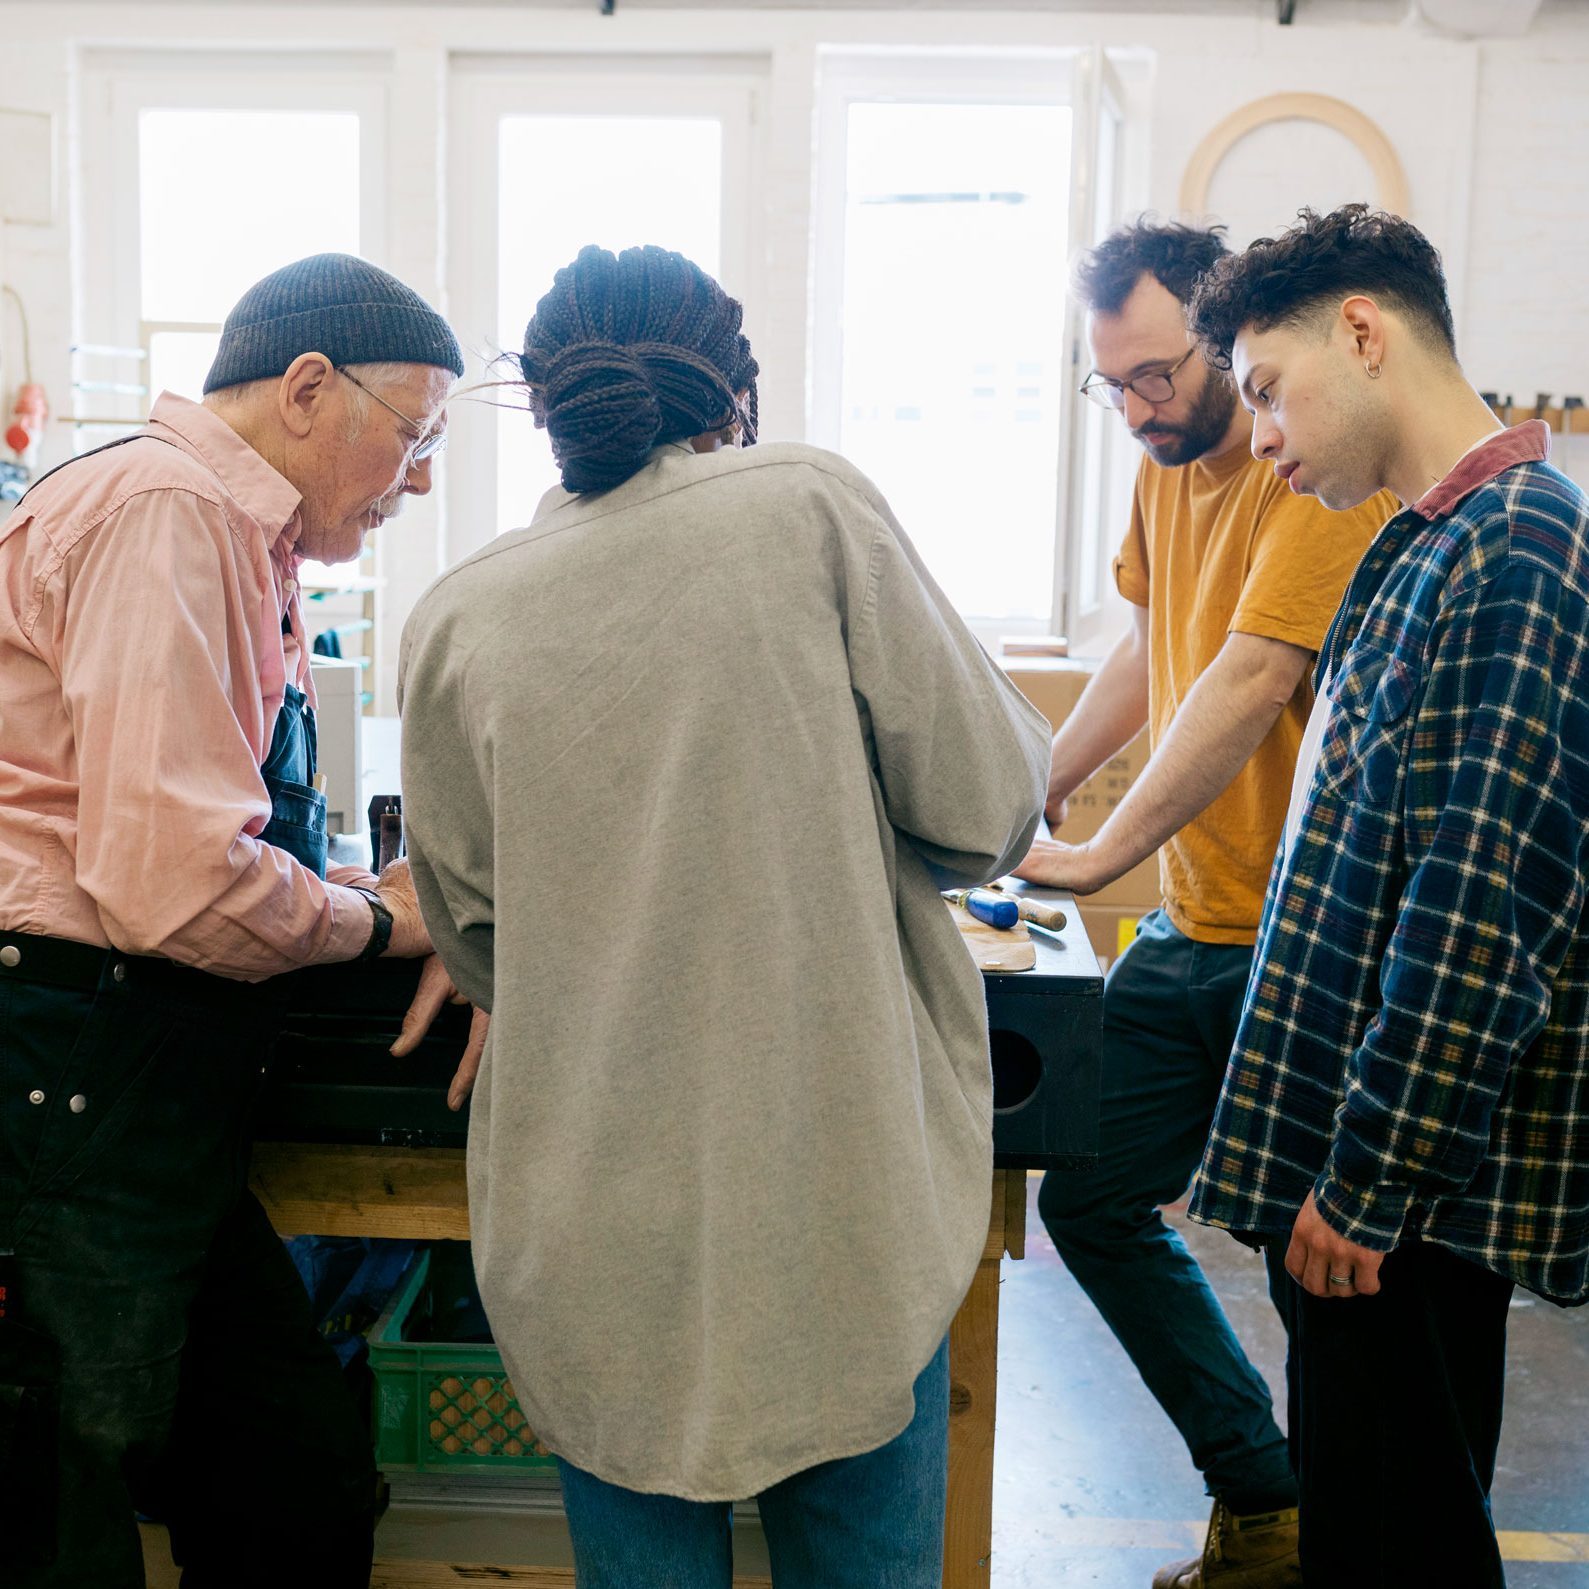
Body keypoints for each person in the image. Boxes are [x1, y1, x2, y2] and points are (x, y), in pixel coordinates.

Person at [398, 243, 1049, 1589]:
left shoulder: (459, 614)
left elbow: (474, 940)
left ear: (544, 405)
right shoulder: (807, 505)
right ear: (733, 394)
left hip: (593, 1231)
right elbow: (986, 807)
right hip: (832, 1203)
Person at [0, 253, 479, 1588]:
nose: (422, 480)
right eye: (419, 436)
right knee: (59, 1498)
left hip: (142, 1079)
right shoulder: (170, 509)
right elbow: (175, 882)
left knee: (293, 1479)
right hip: (71, 1060)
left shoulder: (232, 535)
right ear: (311, 389)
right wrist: (388, 921)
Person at [1183, 203, 1589, 1588]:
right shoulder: (1425, 544)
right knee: (1373, 1530)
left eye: (1266, 390)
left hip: (1396, 1203)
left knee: (1392, 1553)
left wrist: (1365, 1180)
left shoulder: (1518, 548)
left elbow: (1477, 915)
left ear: (1360, 332)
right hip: (1358, 1172)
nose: (1262, 434)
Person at [1010, 220, 1393, 1589]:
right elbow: (1149, 637)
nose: (1137, 409)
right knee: (1094, 1195)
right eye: (1108, 383)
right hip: (1192, 925)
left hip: (1302, 953)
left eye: (1159, 376)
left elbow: (1242, 674)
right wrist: (1036, 790)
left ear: (1227, 344)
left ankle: (1342, 1538)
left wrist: (1100, 846)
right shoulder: (1158, 466)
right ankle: (1264, 1495)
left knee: (1316, 1271)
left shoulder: (1308, 473)